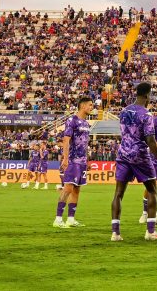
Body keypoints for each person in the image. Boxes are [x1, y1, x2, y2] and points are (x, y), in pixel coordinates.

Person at [110, 82, 157, 242]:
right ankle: (150, 232)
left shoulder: (124, 111)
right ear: (147, 95)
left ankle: (115, 233)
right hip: (139, 155)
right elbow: (150, 140)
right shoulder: (146, 114)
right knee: (152, 191)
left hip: (123, 154)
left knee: (118, 193)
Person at [54, 96, 93, 228]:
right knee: (68, 188)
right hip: (72, 159)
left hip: (82, 161)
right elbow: (66, 140)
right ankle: (58, 219)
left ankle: (71, 219)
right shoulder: (72, 120)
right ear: (82, 106)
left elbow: (85, 143)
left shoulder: (87, 123)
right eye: (90, 105)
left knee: (76, 190)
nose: (92, 107)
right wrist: (65, 158)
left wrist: (87, 160)